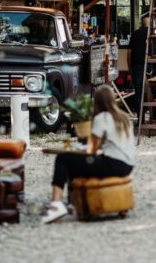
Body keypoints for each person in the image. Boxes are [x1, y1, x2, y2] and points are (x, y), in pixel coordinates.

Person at [42, 85, 134, 224]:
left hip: (112, 164)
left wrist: (79, 149)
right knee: (76, 164)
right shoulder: (124, 118)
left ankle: (56, 205)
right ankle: (72, 203)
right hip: (127, 165)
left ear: (96, 102)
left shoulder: (102, 118)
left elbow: (92, 148)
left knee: (63, 158)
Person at [129, 15, 150, 118]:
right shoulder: (152, 34)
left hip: (136, 65)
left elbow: (129, 53)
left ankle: (140, 118)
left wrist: (129, 68)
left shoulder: (135, 34)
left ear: (141, 23)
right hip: (151, 65)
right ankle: (155, 117)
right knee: (153, 91)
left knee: (139, 92)